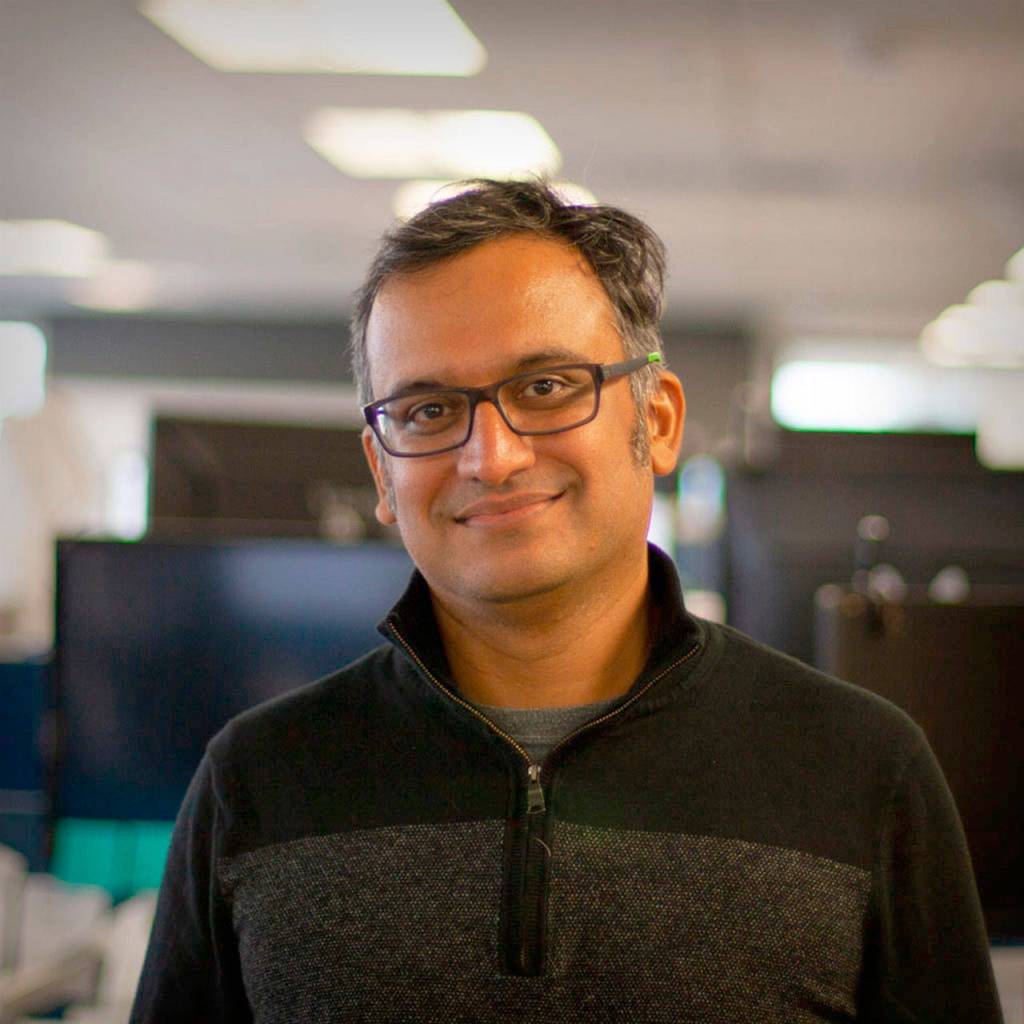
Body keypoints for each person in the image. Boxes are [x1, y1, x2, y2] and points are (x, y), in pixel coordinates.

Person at [131, 179, 1003, 1022]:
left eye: (545, 387)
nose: (491, 457)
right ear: (381, 474)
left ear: (656, 421)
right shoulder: (257, 782)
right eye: (429, 410)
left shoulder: (862, 771)